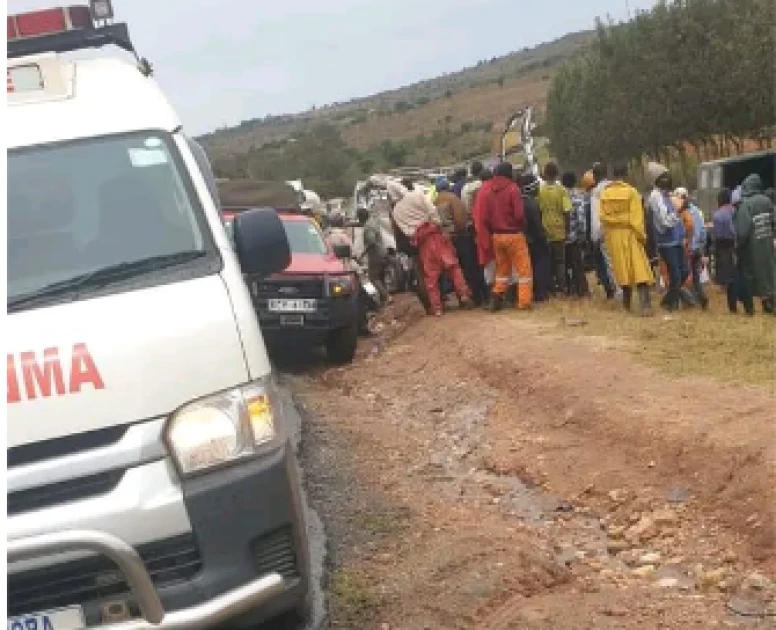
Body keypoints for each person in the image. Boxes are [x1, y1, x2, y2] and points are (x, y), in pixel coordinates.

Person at [389, 179, 473, 316]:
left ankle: (437, 308)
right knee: (453, 267)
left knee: (430, 277)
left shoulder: (396, 211)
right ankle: (464, 294)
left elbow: (406, 231)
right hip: (436, 236)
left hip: (422, 243)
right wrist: (437, 224)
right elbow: (432, 210)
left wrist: (416, 235)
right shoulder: (417, 195)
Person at [598, 164, 654, 315]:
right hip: (631, 234)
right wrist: (642, 237)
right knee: (640, 269)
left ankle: (626, 306)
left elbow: (603, 217)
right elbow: (636, 219)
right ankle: (645, 306)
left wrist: (616, 221)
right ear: (626, 175)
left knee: (622, 271)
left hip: (614, 236)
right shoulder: (632, 192)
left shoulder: (605, 194)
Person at [482, 161, 532, 310]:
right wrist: (522, 225)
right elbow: (519, 214)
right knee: (524, 270)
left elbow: (487, 215)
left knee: (502, 270)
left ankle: (496, 297)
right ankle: (524, 302)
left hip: (497, 236)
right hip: (513, 235)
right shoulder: (513, 188)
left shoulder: (490, 189)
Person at [647, 162, 694, 311]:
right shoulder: (655, 197)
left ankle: (668, 300)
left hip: (676, 239)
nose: (667, 180)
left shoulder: (665, 194)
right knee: (676, 274)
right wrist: (680, 210)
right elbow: (665, 221)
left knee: (684, 271)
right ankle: (671, 304)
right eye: (664, 178)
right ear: (656, 179)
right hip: (666, 242)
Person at [436, 177, 488, 306]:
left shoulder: (434, 202)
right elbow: (460, 220)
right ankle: (477, 297)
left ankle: (462, 298)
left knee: (454, 270)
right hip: (459, 237)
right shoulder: (453, 199)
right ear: (447, 186)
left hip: (445, 239)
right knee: (469, 267)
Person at [734, 174, 776, 315]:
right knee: (769, 271)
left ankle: (762, 304)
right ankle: (770, 300)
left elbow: (743, 231)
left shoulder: (746, 205)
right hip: (768, 242)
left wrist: (738, 246)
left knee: (754, 275)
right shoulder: (767, 201)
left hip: (753, 246)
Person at [537, 161, 572, 296]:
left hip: (546, 229)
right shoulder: (562, 191)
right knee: (560, 261)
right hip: (559, 230)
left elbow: (539, 210)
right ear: (557, 174)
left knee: (548, 261)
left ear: (545, 174)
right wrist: (567, 230)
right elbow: (567, 211)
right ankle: (562, 288)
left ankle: (550, 288)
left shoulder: (540, 191)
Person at [674, 187, 709, 309]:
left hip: (687, 248)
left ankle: (690, 302)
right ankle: (702, 298)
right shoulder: (697, 211)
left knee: (684, 277)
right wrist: (702, 247)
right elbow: (703, 231)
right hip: (697, 249)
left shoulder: (679, 213)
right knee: (696, 277)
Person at [590, 163, 619, 299]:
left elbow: (596, 217)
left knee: (611, 264)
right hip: (622, 229)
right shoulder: (616, 186)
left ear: (595, 176)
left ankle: (619, 292)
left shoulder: (596, 192)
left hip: (606, 232)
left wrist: (595, 237)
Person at [522, 173, 551, 303]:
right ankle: (541, 294)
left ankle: (533, 292)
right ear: (532, 188)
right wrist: (543, 237)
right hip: (535, 240)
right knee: (540, 265)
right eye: (537, 186)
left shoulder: (520, 201)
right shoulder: (532, 204)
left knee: (530, 267)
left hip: (525, 240)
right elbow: (537, 225)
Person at [712, 188, 741, 313]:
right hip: (736, 245)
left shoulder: (717, 215)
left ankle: (732, 306)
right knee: (737, 275)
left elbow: (716, 235)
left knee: (729, 279)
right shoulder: (736, 212)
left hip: (723, 248)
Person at [561, 171, 590, 298]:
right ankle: (582, 290)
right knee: (577, 265)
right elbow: (581, 219)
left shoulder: (559, 195)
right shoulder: (577, 196)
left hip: (560, 237)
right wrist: (582, 236)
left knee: (564, 266)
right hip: (574, 237)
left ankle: (567, 289)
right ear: (574, 182)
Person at [357, 206, 390, 306]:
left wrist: (362, 255)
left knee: (373, 278)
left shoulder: (368, 227)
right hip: (382, 253)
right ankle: (383, 300)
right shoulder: (373, 222)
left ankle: (385, 297)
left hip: (376, 255)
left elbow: (371, 242)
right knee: (380, 277)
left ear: (361, 217)